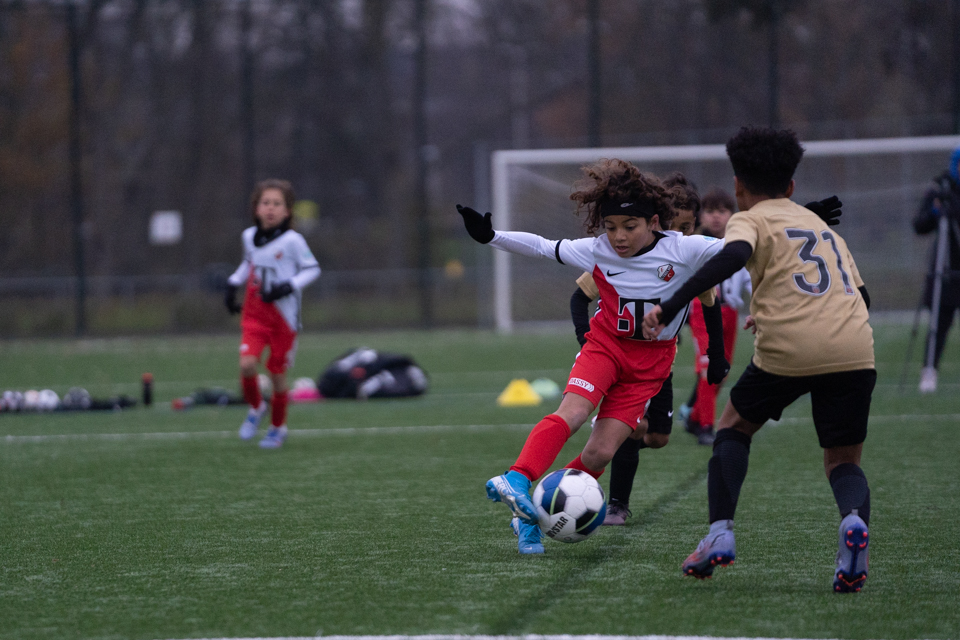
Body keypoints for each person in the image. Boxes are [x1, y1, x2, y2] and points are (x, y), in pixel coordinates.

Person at [641, 126, 875, 593]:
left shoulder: (747, 219)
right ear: (791, 185)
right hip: (854, 347)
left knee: (732, 428)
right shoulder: (822, 228)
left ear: (737, 187)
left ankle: (719, 534)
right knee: (842, 461)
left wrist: (669, 304)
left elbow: (732, 259)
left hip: (789, 348)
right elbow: (861, 297)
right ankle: (853, 527)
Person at [458, 159, 725, 555]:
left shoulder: (684, 249)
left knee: (601, 451)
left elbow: (747, 246)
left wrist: (800, 222)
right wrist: (491, 236)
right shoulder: (599, 251)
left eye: (629, 227)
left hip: (649, 365)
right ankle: (517, 479)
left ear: (654, 222)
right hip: (605, 347)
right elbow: (542, 246)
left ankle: (528, 515)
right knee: (574, 413)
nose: (618, 236)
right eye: (611, 226)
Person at [569, 172, 730, 526]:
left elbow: (710, 303)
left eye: (690, 228)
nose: (684, 236)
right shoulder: (627, 256)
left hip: (661, 362)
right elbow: (581, 295)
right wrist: (587, 338)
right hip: (624, 359)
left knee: (657, 437)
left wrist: (717, 356)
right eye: (679, 226)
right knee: (632, 427)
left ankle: (610, 447)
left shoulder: (691, 255)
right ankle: (616, 503)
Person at [225, 179, 321, 449]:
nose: (270, 208)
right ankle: (256, 407)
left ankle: (278, 428)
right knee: (246, 365)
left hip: (284, 320)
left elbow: (313, 269)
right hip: (255, 315)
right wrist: (232, 284)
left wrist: (287, 287)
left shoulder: (292, 240)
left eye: (277, 204)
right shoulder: (249, 237)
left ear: (288, 211)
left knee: (277, 376)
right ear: (256, 208)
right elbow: (248, 264)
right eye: (265, 203)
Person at [679, 187, 752, 446]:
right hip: (703, 310)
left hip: (730, 313)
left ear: (733, 214)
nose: (716, 217)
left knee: (722, 370)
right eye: (710, 211)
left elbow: (751, 279)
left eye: (722, 211)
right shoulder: (696, 244)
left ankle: (694, 417)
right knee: (709, 367)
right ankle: (706, 427)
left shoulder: (741, 243)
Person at [914, 147, 960, 394]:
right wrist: (935, 212)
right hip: (944, 268)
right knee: (939, 324)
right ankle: (929, 371)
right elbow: (919, 225)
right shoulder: (939, 189)